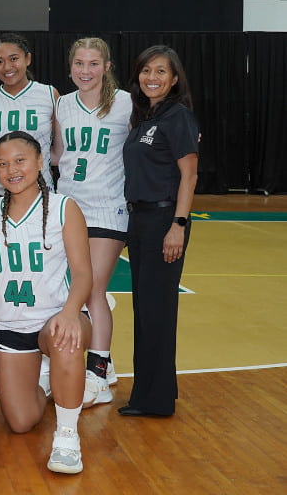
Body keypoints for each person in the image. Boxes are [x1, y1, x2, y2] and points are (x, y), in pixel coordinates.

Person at [0, 131, 93, 474]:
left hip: (54, 317)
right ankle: (49, 381)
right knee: (20, 421)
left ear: (40, 162)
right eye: (2, 163)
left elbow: (84, 274)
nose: (11, 169)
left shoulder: (63, 207)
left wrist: (71, 312)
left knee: (65, 339)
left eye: (20, 160)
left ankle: (68, 436)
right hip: (9, 326)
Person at [119, 45, 199, 418]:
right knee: (146, 311)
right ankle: (147, 394)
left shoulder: (177, 116)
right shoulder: (145, 118)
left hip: (164, 222)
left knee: (158, 313)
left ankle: (157, 400)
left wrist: (178, 226)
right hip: (140, 221)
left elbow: (189, 175)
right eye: (146, 70)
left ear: (175, 78)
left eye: (161, 71)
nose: (152, 77)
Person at [52, 37, 131, 406]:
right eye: (79, 63)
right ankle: (106, 361)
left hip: (108, 207)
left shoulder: (127, 104)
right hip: (69, 208)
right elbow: (56, 152)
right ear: (70, 68)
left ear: (107, 67)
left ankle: (96, 374)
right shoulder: (62, 105)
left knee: (93, 290)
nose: (86, 70)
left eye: (93, 64)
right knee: (70, 291)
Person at [0, 33, 58, 209]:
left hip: (38, 187)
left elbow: (59, 147)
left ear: (27, 59)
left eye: (14, 59)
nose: (7, 67)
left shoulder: (49, 94)